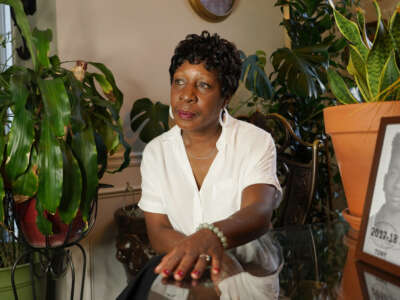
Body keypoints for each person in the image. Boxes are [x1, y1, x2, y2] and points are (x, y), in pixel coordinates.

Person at [117, 31, 282, 299]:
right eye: (179, 82)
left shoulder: (255, 141)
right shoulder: (157, 152)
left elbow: (259, 212)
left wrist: (211, 236)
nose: (186, 95)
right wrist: (203, 250)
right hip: (186, 275)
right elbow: (158, 232)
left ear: (226, 96)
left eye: (203, 85)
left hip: (249, 276)